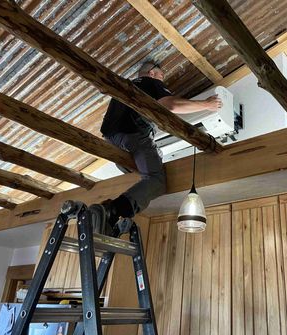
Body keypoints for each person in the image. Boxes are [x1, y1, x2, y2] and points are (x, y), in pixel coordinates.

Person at [90, 61, 222, 234]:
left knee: (142, 168)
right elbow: (170, 105)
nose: (162, 79)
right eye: (161, 75)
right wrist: (206, 104)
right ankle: (112, 210)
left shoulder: (127, 87)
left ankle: (107, 220)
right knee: (156, 181)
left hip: (112, 138)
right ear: (151, 73)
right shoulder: (150, 82)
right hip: (132, 135)